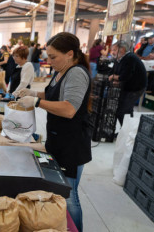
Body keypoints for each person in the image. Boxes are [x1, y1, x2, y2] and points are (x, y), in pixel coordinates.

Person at [17, 32, 92, 232]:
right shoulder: (60, 71)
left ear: (69, 54)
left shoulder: (76, 73)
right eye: (47, 57)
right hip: (58, 141)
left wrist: (37, 102)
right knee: (59, 191)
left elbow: (69, 109)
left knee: (69, 197)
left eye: (53, 57)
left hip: (72, 145)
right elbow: (53, 94)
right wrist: (34, 93)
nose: (49, 62)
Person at [109, 41, 147, 126]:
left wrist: (114, 77)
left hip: (135, 88)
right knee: (125, 110)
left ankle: (127, 131)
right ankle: (127, 131)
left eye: (114, 50)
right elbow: (114, 71)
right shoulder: (120, 59)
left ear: (122, 49)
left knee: (123, 111)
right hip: (127, 87)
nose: (113, 52)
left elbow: (125, 76)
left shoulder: (130, 58)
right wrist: (116, 78)